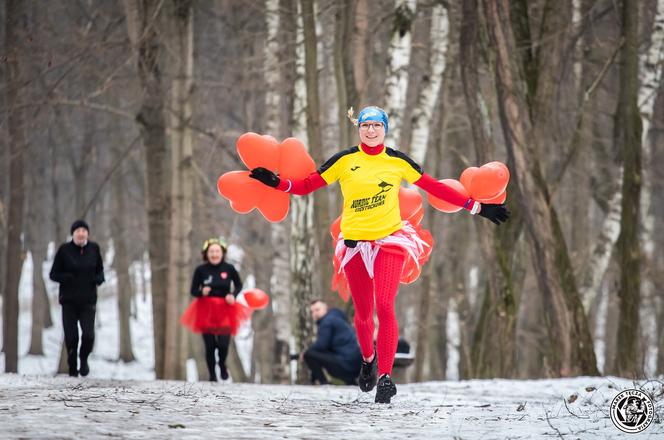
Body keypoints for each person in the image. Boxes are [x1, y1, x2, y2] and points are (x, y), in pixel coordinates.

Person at [250, 106, 509, 403]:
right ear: (358, 129)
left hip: (390, 240)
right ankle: (368, 360)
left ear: (385, 129)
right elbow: (308, 184)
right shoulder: (345, 160)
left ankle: (385, 377)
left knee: (385, 305)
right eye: (365, 126)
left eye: (376, 126)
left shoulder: (398, 161)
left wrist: (478, 207)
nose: (371, 131)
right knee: (363, 314)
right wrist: (277, 183)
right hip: (354, 243)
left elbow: (434, 187)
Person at [181, 238, 245, 382]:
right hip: (206, 310)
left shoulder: (229, 268)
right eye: (211, 252)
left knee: (223, 344)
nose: (214, 254)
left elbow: (239, 285)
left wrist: (232, 295)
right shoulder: (200, 270)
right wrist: (202, 291)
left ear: (222, 253)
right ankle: (212, 375)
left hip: (226, 308)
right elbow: (193, 290)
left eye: (217, 251)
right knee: (210, 346)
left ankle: (222, 364)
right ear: (206, 254)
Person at [49, 220, 105, 377]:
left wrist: (99, 278)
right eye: (77, 231)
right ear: (72, 233)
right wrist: (65, 277)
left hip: (88, 301)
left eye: (83, 231)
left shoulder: (94, 249)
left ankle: (84, 359)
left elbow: (100, 269)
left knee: (88, 335)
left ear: (87, 233)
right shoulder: (64, 250)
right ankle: (72, 365)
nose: (81, 233)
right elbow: (53, 274)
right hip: (69, 301)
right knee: (71, 337)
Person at [299, 299, 362, 385]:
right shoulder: (337, 317)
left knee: (309, 354)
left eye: (317, 310)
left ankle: (324, 383)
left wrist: (304, 353)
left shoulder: (327, 322)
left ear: (325, 308)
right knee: (314, 354)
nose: (315, 313)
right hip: (355, 364)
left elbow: (321, 346)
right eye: (312, 311)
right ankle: (351, 382)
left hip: (346, 364)